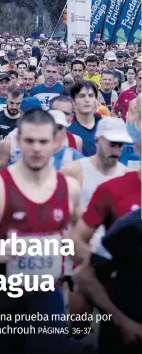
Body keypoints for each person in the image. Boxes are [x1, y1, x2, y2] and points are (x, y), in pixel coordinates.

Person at [0, 109, 81, 354]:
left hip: (48, 295)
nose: (36, 148)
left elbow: (81, 237)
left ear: (55, 142)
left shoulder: (69, 188)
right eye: (30, 141)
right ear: (18, 141)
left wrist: (72, 252)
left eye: (43, 141)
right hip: (4, 296)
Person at [70, 130, 142, 353]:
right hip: (128, 316)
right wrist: (122, 321)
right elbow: (83, 270)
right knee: (78, 329)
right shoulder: (129, 222)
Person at [0, 97, 43, 172]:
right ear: (21, 113)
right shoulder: (12, 139)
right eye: (29, 115)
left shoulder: (50, 134)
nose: (33, 118)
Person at [68, 81, 101, 156]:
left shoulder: (106, 127)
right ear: (73, 102)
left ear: (96, 100)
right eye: (82, 96)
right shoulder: (68, 132)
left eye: (91, 95)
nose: (87, 100)